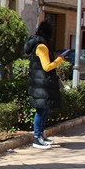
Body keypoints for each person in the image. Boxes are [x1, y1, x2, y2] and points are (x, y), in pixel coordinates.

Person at [24, 20, 64, 150]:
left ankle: (41, 135)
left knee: (45, 109)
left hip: (41, 83)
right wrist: (59, 60)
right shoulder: (41, 47)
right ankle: (37, 138)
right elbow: (46, 67)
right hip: (41, 84)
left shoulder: (41, 45)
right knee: (41, 110)